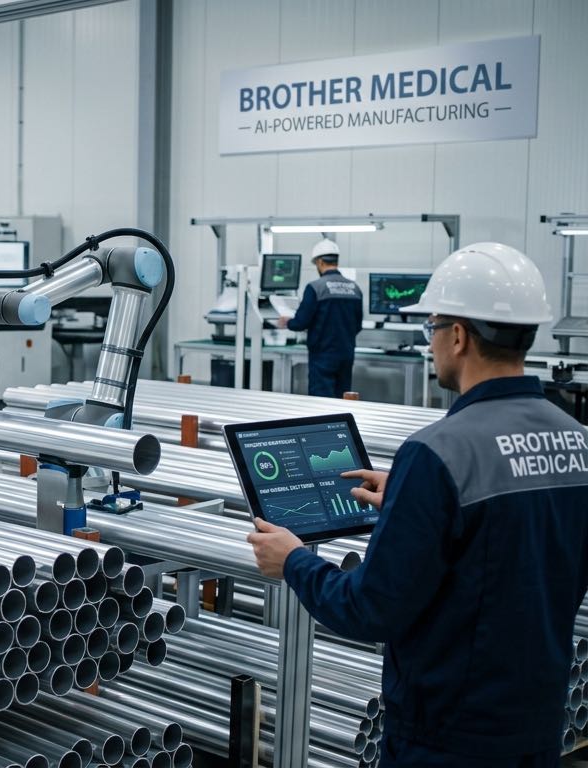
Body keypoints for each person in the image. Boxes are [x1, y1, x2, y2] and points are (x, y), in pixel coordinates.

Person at [248, 242, 588, 767]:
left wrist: (293, 561)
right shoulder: (577, 441)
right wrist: (416, 500)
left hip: (447, 736)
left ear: (459, 336)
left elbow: (369, 608)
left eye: (432, 328)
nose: (431, 343)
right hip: (537, 724)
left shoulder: (438, 453)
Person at [278, 239, 363, 397]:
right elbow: (358, 325)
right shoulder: (354, 288)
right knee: (342, 398)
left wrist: (288, 322)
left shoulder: (315, 288)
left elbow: (301, 322)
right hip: (346, 354)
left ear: (319, 262)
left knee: (320, 401)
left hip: (323, 355)